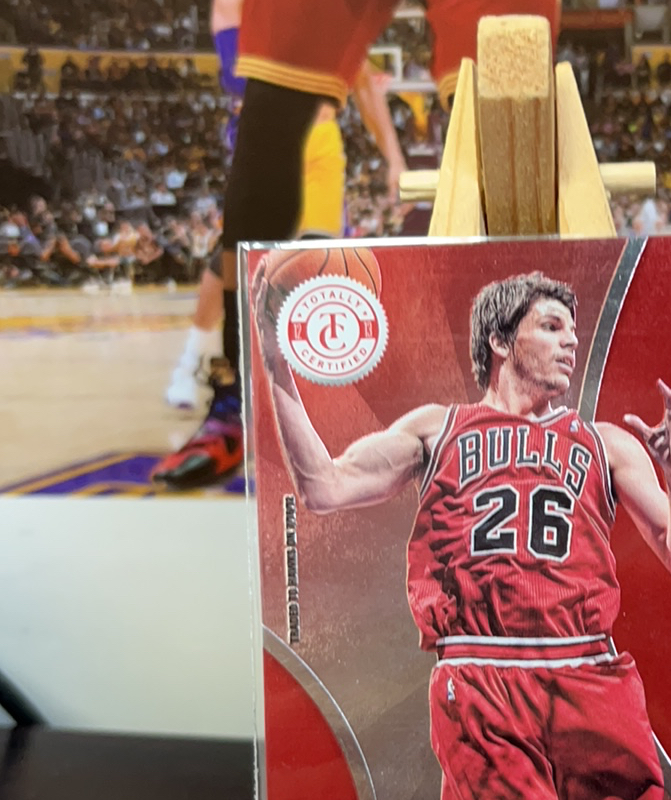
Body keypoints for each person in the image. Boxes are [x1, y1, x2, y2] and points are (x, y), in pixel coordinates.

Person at [257, 270, 671, 800]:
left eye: (573, 330)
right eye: (551, 326)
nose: (570, 342)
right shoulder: (435, 429)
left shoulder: (607, 443)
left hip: (589, 673)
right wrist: (276, 362)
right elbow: (322, 487)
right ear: (500, 339)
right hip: (483, 678)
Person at [157, 0, 560, 487]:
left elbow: (367, 88)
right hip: (301, 143)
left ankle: (528, 400)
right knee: (274, 101)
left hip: (325, 152)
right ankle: (244, 397)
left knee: (505, 76)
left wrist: (393, 157)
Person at [160, 0, 405, 418]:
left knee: (317, 264)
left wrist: (395, 158)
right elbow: (234, 48)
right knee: (233, 258)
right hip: (266, 131)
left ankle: (303, 380)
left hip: (322, 142)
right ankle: (195, 359)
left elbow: (364, 82)